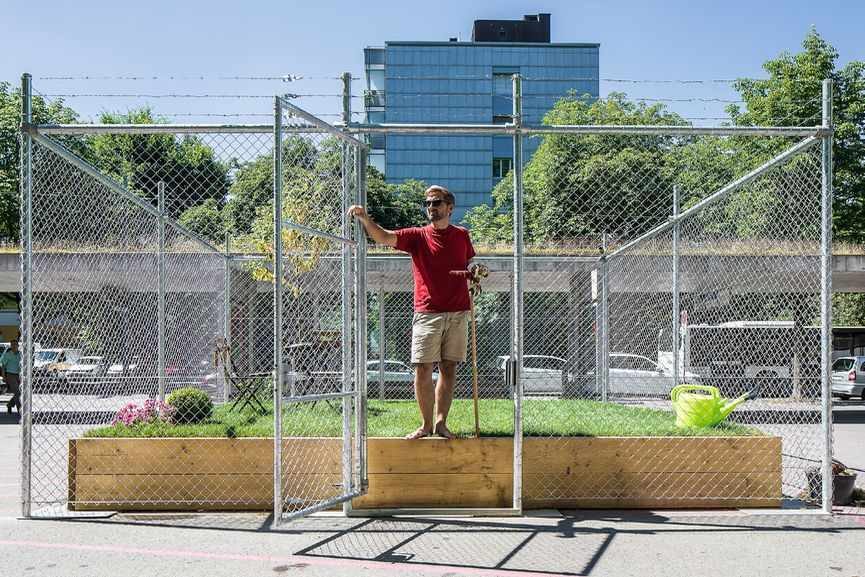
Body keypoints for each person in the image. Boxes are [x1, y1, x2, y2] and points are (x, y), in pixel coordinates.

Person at [349, 185, 475, 439]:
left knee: (449, 368)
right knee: (422, 367)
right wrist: (364, 218)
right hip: (428, 312)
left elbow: (469, 262)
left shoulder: (462, 235)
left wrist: (476, 269)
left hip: (459, 311)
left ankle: (441, 423)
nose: (431, 207)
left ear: (450, 207)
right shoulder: (417, 236)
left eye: (436, 203)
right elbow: (384, 237)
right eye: (428, 203)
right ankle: (426, 425)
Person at [1, 339, 21, 414]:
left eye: (15, 344)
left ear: (18, 346)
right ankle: (20, 409)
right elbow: (3, 366)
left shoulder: (20, 354)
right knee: (17, 392)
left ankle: (9, 404)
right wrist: (3, 376)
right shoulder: (7, 354)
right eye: (12, 345)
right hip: (10, 374)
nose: (14, 346)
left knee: (19, 393)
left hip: (19, 375)